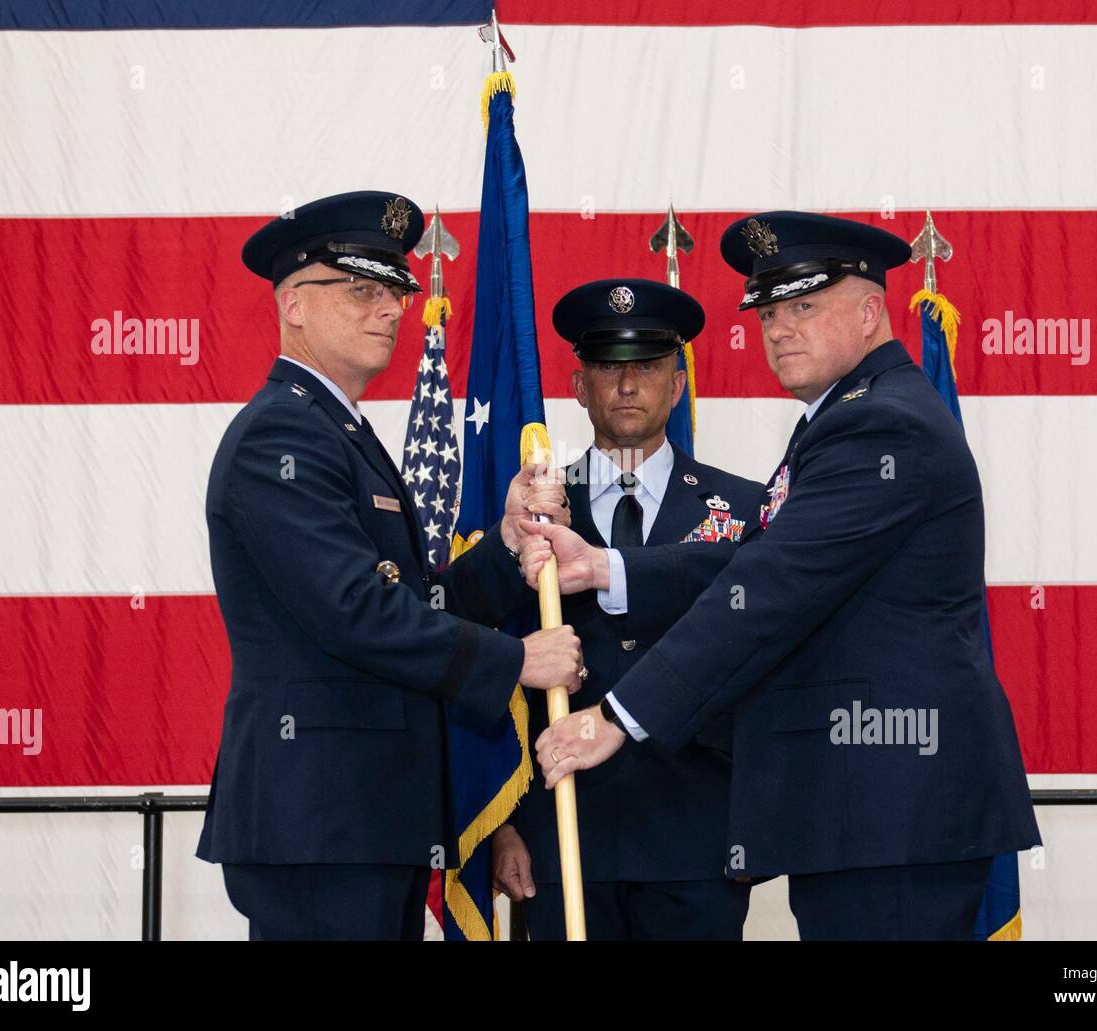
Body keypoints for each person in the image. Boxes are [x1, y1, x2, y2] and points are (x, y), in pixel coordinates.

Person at [522, 212, 1041, 941]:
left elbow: (766, 591)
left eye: (803, 306)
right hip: (863, 812)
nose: (779, 329)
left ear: (870, 313)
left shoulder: (880, 426)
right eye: (768, 313)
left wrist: (616, 718)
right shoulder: (845, 418)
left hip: (890, 809)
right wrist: (607, 566)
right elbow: (758, 560)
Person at [195, 191, 582, 940]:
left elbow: (417, 597)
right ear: (294, 305)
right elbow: (354, 610)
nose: (392, 309)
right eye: (362, 289)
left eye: (396, 291)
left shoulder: (337, 431)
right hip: (320, 819)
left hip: (367, 813)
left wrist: (503, 548)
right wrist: (515, 660)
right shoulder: (282, 433)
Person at [492, 279, 764, 940]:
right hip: (562, 831)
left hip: (697, 838)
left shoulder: (745, 512)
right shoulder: (529, 510)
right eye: (609, 367)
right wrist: (501, 822)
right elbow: (492, 668)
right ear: (580, 386)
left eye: (647, 366)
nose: (627, 384)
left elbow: (757, 658)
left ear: (677, 385)